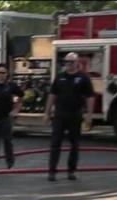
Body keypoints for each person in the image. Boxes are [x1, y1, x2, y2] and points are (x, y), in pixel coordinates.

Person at [44, 52, 95, 181]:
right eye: (66, 62)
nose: (69, 64)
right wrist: (47, 112)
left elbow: (90, 96)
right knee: (55, 143)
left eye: (71, 62)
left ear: (77, 62)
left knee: (74, 144)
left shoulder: (83, 78)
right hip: (60, 114)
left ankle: (71, 171)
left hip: (75, 114)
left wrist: (89, 114)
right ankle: (52, 172)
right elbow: (52, 95)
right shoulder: (59, 77)